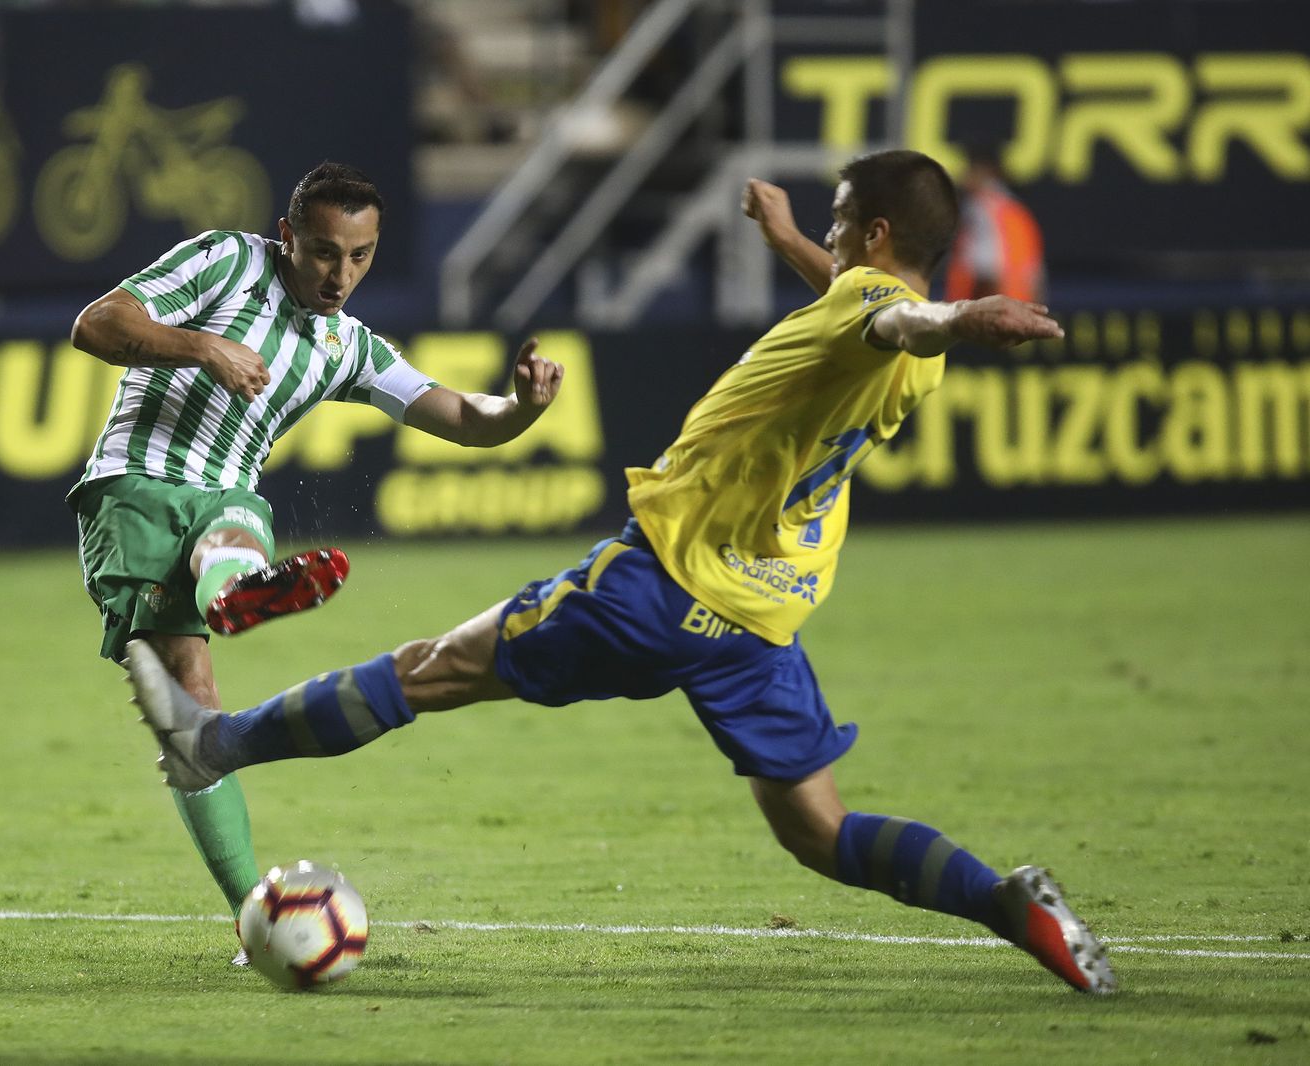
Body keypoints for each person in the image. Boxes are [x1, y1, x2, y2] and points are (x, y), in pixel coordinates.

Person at [122, 149, 1117, 994]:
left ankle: (216, 744)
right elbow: (882, 309)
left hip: (661, 582)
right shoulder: (881, 317)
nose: (829, 231)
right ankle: (1004, 902)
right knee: (820, 828)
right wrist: (798, 247)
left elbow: (899, 317)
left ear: (875, 232)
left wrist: (965, 314)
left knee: (432, 668)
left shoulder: (893, 319)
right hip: (761, 613)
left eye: (839, 218)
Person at [68, 161, 565, 962]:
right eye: (327, 252)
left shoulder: (347, 344)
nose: (342, 276)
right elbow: (96, 325)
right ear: (288, 235)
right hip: (134, 490)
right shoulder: (226, 261)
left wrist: (520, 410)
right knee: (187, 718)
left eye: (362, 257)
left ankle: (236, 590)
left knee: (239, 519)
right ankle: (253, 915)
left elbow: (459, 416)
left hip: (226, 500)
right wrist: (204, 348)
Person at [943, 143, 1047, 303]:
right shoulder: (1016, 211)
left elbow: (987, 271)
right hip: (1018, 307)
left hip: (992, 310)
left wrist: (974, 314)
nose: (964, 175)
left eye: (970, 168)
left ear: (985, 171)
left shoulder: (981, 208)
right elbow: (1035, 276)